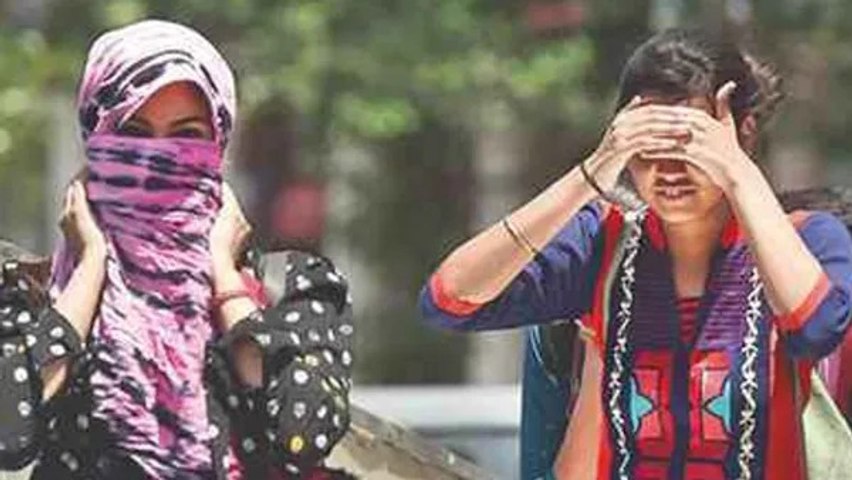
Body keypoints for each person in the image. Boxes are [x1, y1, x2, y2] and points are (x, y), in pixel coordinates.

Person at [419, 28, 852, 479]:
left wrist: (737, 171)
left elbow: (817, 329)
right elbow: (449, 300)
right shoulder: (601, 244)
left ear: (743, 134)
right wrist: (594, 169)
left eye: (688, 144)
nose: (668, 170)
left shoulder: (808, 240)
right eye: (647, 147)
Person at [0, 20, 354, 479]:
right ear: (95, 138)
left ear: (218, 143)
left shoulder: (294, 285)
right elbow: (9, 436)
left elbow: (303, 434)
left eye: (186, 135)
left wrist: (225, 279)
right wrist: (90, 267)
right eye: (134, 132)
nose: (157, 156)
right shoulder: (34, 291)